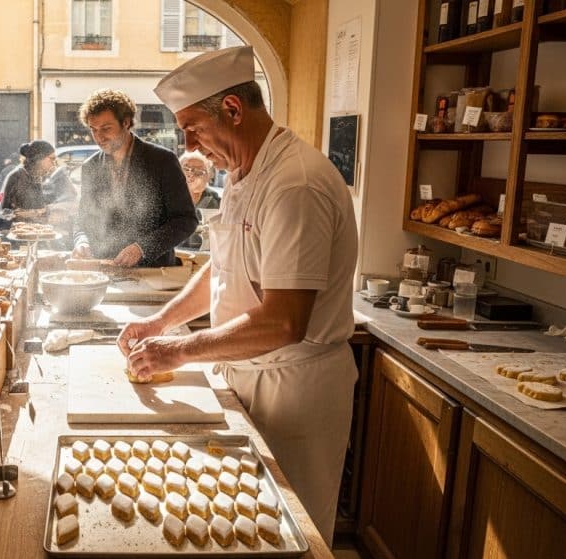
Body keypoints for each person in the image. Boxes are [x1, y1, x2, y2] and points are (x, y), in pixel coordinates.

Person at [123, 46, 359, 547]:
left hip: (292, 387)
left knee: (288, 534)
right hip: (245, 372)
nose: (187, 144)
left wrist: (180, 349)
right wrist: (160, 323)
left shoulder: (294, 183)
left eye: (192, 128)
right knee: (236, 528)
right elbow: (224, 269)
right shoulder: (242, 173)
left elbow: (284, 321)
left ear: (232, 109)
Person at [71, 88, 197, 267]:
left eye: (106, 128)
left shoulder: (162, 161)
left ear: (126, 122)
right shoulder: (90, 167)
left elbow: (186, 221)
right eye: (93, 130)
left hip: (153, 271)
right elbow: (83, 219)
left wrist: (142, 247)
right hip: (106, 271)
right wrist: (81, 240)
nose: (99, 137)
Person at [0, 140, 55, 221]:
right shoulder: (16, 177)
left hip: (39, 229)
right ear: (39, 158)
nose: (53, 163)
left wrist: (37, 212)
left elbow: (45, 207)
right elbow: (5, 212)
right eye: (52, 159)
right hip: (20, 229)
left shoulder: (39, 176)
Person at [179, 151, 220, 250]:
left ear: (209, 176)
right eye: (186, 169)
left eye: (199, 171)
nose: (191, 174)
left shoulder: (219, 204)